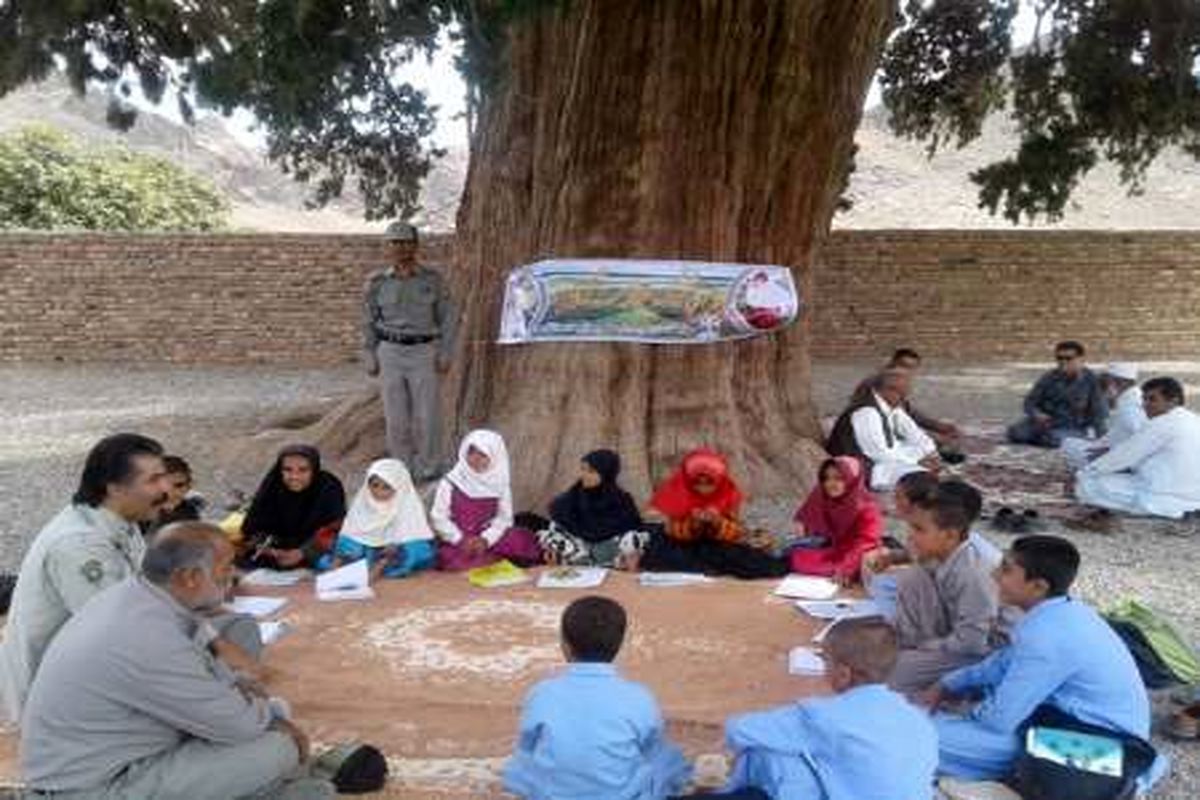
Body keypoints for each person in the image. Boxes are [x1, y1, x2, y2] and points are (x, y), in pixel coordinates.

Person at [20, 522, 333, 800]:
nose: (232, 578)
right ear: (191, 577)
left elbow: (213, 668)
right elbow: (240, 727)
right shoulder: (148, 637)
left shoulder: (139, 596)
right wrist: (272, 718)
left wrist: (251, 702)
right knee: (277, 749)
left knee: (242, 640)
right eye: (225, 570)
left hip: (115, 755)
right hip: (95, 787)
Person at [926, 536, 1158, 788]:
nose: (994, 574)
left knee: (921, 735)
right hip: (1065, 720)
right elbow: (1001, 664)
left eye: (1006, 569)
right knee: (927, 725)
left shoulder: (1049, 636)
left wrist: (964, 712)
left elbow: (999, 720)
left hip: (1098, 742)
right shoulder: (1060, 613)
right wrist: (948, 684)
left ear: (1038, 586)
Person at [0, 433, 171, 725]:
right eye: (153, 480)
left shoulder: (120, 522)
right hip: (55, 698)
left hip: (90, 672)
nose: (166, 489)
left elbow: (141, 595)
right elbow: (113, 633)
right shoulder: (78, 545)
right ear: (114, 488)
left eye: (164, 477)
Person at [700, 617, 937, 800]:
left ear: (843, 674)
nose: (823, 668)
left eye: (825, 660)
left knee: (769, 752)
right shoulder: (919, 720)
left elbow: (739, 729)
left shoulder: (826, 717)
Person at [501, 596, 691, 799]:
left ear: (565, 645)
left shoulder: (541, 693)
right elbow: (650, 747)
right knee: (666, 760)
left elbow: (527, 746)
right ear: (619, 645)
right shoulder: (639, 697)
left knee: (520, 766)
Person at [363, 221, 459, 483]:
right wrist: (369, 353)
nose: (400, 247)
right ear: (386, 246)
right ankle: (400, 470)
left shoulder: (432, 280)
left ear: (415, 245)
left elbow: (448, 318)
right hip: (390, 352)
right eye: (394, 242)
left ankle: (429, 468)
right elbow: (368, 320)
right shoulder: (377, 282)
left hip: (423, 352)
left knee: (427, 414)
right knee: (396, 418)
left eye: (405, 241)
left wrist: (446, 352)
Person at [889, 483, 999, 695]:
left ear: (950, 535)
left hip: (986, 651)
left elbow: (973, 641)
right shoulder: (943, 550)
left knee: (894, 673)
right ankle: (910, 648)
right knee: (913, 577)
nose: (910, 536)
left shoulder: (974, 571)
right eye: (911, 527)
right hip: (952, 636)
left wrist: (929, 648)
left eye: (919, 530)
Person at [635, 449, 788, 579]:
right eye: (697, 482)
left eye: (709, 482)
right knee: (662, 556)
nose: (703, 487)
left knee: (750, 562)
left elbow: (736, 531)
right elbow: (672, 530)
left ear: (719, 480)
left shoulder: (728, 494)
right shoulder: (679, 494)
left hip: (718, 545)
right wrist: (692, 524)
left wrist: (717, 522)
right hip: (684, 545)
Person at [1075, 376, 1200, 520]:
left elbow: (1122, 457)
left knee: (1089, 485)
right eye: (1144, 399)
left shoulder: (1162, 423)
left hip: (1164, 496)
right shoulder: (1194, 419)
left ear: (1173, 401)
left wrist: (1082, 474)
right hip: (1194, 496)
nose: (1145, 404)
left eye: (1152, 399)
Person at [431, 430, 542, 571]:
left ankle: (491, 558)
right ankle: (495, 561)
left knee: (520, 540)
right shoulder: (450, 482)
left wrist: (486, 539)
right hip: (459, 538)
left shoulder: (500, 483)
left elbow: (504, 519)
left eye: (483, 455)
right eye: (471, 453)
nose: (475, 459)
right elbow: (439, 518)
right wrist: (459, 539)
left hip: (488, 536)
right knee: (451, 557)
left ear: (494, 457)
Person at [827, 368, 939, 491]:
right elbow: (878, 453)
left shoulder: (892, 405)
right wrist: (917, 462)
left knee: (926, 463)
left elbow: (916, 434)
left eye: (905, 394)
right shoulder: (866, 412)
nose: (903, 399)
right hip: (860, 466)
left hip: (884, 459)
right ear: (885, 390)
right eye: (901, 393)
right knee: (920, 477)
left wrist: (928, 453)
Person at [326, 459, 436, 581]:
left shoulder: (407, 504)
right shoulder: (362, 503)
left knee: (415, 548)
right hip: (368, 549)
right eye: (374, 485)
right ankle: (355, 569)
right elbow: (351, 532)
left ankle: (380, 567)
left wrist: (392, 548)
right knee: (349, 544)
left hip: (393, 549)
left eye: (386, 487)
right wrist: (333, 570)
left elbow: (410, 531)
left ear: (399, 486)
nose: (378, 492)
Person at [240, 445, 346, 571]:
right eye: (287, 470)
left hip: (316, 548)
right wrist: (268, 549)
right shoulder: (273, 485)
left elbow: (337, 527)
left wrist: (303, 552)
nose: (294, 476)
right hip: (275, 552)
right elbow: (251, 528)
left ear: (314, 470)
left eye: (303, 470)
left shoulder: (329, 487)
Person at [542, 449, 644, 567]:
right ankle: (588, 561)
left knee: (632, 539)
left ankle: (596, 561)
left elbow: (635, 527)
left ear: (606, 474)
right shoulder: (571, 497)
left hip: (607, 550)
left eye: (591, 471)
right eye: (582, 469)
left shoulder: (622, 500)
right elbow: (558, 519)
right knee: (551, 534)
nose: (584, 475)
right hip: (578, 548)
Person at [789, 457, 883, 583]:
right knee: (794, 557)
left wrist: (846, 568)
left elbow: (866, 542)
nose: (830, 484)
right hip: (833, 552)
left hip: (857, 555)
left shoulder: (867, 507)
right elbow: (805, 519)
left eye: (839, 478)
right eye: (826, 478)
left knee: (864, 565)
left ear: (852, 479)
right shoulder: (823, 497)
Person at [1007, 341, 1108, 448]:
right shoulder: (1049, 377)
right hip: (1044, 424)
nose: (1063, 362)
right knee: (1015, 433)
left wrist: (1102, 439)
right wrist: (1037, 414)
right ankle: (1043, 437)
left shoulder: (1092, 381)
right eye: (1059, 358)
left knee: (1053, 439)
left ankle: (1061, 439)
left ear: (1081, 359)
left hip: (1072, 427)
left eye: (1068, 358)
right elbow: (1029, 402)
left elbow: (1099, 413)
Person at [853, 348, 962, 444]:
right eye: (903, 365)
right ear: (892, 363)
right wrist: (931, 438)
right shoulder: (881, 383)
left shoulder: (896, 382)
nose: (906, 371)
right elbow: (893, 426)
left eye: (911, 368)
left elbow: (909, 412)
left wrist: (939, 426)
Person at [1061, 363, 1146, 469]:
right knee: (1073, 440)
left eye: (1109, 381)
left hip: (1120, 456)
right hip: (1115, 447)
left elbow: (1137, 434)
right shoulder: (1131, 397)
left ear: (1122, 382)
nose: (1107, 386)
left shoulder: (1129, 406)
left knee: (1069, 445)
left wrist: (1110, 451)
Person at [144, 455, 206, 535]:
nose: (171, 494)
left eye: (179, 485)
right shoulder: (138, 514)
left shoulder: (190, 511)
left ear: (189, 486)